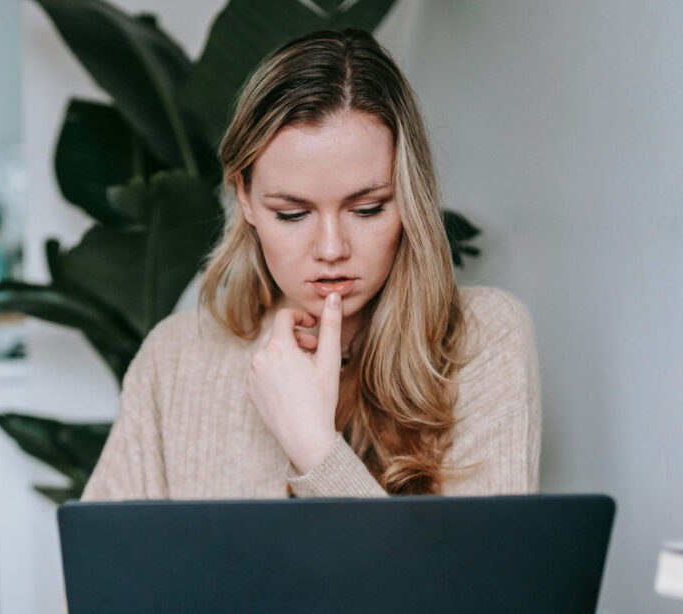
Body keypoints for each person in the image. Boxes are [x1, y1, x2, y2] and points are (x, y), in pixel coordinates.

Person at [85, 29, 538, 501]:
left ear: (410, 197)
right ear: (245, 198)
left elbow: (486, 578)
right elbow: (101, 570)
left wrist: (314, 446)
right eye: (292, 214)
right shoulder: (173, 359)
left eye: (367, 209)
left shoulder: (485, 339)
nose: (330, 249)